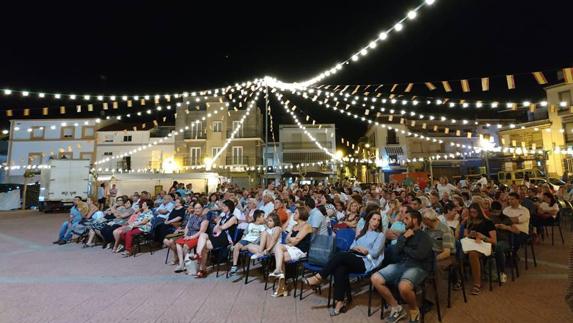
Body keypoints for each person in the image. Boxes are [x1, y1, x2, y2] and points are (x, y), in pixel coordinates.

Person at [304, 211, 385, 316]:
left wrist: (364, 250)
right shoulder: (361, 232)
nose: (376, 222)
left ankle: (319, 277)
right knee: (340, 268)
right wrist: (357, 248)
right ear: (368, 220)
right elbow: (352, 247)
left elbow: (374, 253)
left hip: (367, 262)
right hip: (354, 258)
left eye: (378, 220)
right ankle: (340, 302)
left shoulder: (380, 235)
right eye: (374, 219)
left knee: (341, 255)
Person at [370, 210, 434, 323]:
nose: (403, 221)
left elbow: (419, 255)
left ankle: (414, 311)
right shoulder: (405, 235)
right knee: (375, 278)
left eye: (406, 219)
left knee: (403, 287)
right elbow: (395, 252)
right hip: (403, 264)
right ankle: (396, 308)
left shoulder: (425, 237)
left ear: (415, 220)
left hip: (419, 267)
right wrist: (403, 238)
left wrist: (404, 248)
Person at [269, 206, 313, 297]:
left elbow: (296, 241)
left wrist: (291, 239)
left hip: (301, 250)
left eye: (296, 213)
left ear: (302, 214)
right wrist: (291, 239)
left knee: (280, 257)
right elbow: (286, 240)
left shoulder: (307, 226)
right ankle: (279, 276)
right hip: (292, 247)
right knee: (278, 248)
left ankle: (282, 286)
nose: (294, 214)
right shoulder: (294, 226)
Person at [195, 200, 238, 278]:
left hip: (226, 239)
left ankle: (202, 269)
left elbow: (224, 227)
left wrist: (219, 226)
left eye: (224, 206)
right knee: (203, 235)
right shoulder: (223, 217)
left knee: (204, 246)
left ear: (229, 207)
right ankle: (198, 255)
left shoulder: (233, 218)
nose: (222, 207)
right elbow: (215, 229)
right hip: (218, 236)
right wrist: (219, 226)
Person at [464, 203, 497, 295]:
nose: (473, 214)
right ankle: (457, 280)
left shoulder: (488, 222)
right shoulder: (469, 221)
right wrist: (470, 235)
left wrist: (483, 237)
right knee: (459, 250)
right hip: (472, 244)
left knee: (473, 254)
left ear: (479, 212)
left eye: (475, 212)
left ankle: (477, 283)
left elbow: (494, 241)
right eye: (471, 212)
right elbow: (465, 234)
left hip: (485, 245)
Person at [171, 203, 209, 272]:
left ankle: (187, 264)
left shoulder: (204, 218)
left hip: (197, 237)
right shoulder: (192, 216)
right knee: (178, 243)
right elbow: (187, 227)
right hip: (188, 235)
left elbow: (201, 231)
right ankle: (181, 264)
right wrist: (185, 235)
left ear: (202, 209)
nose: (197, 210)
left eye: (199, 208)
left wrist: (190, 237)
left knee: (185, 246)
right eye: (196, 208)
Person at [229, 210, 266, 275]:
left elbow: (262, 237)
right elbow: (244, 234)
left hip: (254, 242)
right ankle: (234, 265)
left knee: (239, 247)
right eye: (263, 216)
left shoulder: (263, 227)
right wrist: (240, 242)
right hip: (245, 240)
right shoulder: (250, 225)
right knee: (238, 245)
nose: (264, 218)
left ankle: (234, 248)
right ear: (258, 218)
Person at [490, 201, 516, 284]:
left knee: (498, 247)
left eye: (498, 212)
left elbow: (517, 231)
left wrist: (506, 227)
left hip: (504, 241)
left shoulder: (505, 218)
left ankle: (502, 271)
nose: (496, 214)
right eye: (494, 212)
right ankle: (489, 272)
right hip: (490, 240)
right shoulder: (489, 218)